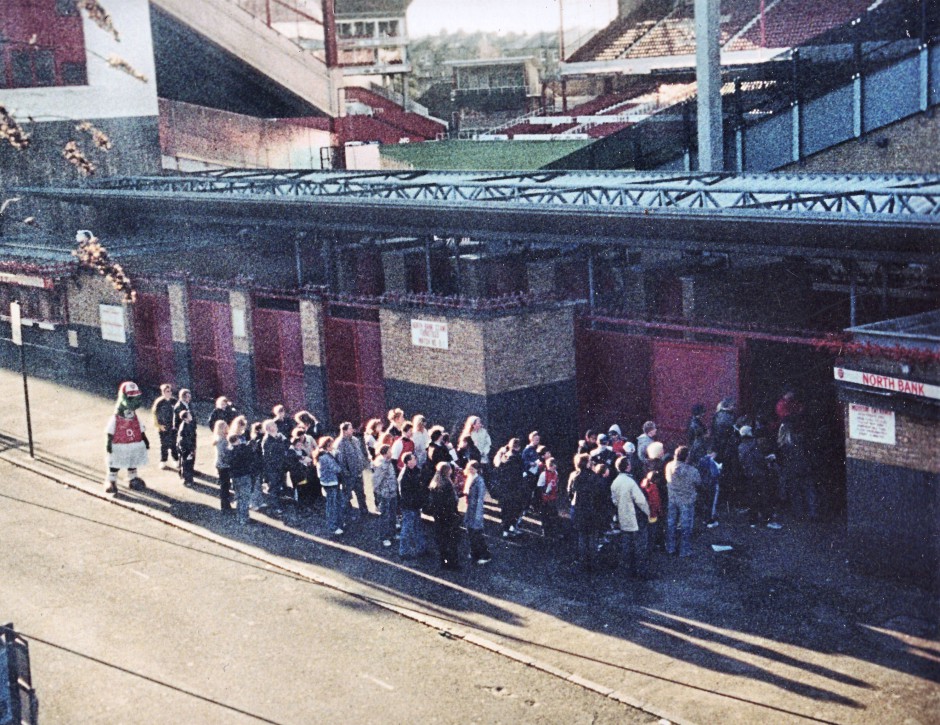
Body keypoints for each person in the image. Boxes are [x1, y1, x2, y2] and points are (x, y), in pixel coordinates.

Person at [104, 381, 150, 494]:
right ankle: (111, 481)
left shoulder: (134, 416)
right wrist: (108, 443)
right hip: (119, 444)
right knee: (115, 463)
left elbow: (140, 428)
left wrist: (145, 439)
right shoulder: (116, 418)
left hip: (133, 443)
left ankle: (133, 478)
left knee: (132, 461)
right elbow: (109, 432)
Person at [610, 457, 651, 578]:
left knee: (626, 545)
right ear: (627, 466)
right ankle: (641, 571)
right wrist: (648, 512)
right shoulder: (631, 482)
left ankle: (627, 571)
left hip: (623, 516)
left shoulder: (615, 482)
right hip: (636, 517)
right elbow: (641, 501)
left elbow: (614, 500)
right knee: (640, 546)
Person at [568, 455, 607, 572]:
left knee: (582, 536)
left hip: (578, 509)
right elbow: (600, 495)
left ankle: (582, 562)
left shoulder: (574, 475)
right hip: (592, 510)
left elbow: (570, 492)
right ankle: (593, 563)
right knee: (593, 537)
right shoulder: (594, 477)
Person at [738, 426, 780, 529]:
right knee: (764, 498)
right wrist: (768, 459)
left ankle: (753, 521)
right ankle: (767, 521)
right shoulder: (753, 445)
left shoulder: (741, 446)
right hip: (760, 474)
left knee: (752, 498)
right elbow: (759, 460)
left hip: (749, 474)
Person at [664, 446, 701, 557]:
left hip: (672, 498)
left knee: (671, 524)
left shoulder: (669, 466)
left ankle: (670, 548)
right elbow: (698, 482)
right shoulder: (692, 471)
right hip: (687, 500)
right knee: (686, 526)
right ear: (687, 457)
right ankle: (684, 551)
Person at [777, 422, 817, 521]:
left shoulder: (782, 445)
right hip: (804, 467)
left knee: (795, 493)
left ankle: (799, 514)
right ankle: (813, 512)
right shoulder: (800, 439)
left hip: (791, 470)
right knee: (809, 491)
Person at [427, 462, 461, 570]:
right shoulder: (447, 484)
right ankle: (453, 564)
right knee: (451, 541)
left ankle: (444, 562)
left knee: (442, 540)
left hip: (438, 516)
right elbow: (452, 502)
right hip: (449, 516)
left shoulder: (434, 483)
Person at [336, 421, 371, 517]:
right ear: (344, 430)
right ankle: (349, 513)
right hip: (349, 475)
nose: (352, 430)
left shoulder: (355, 440)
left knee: (361, 493)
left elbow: (360, 454)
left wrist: (363, 465)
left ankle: (364, 511)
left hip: (359, 473)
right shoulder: (340, 443)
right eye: (350, 428)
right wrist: (346, 473)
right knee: (347, 495)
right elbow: (341, 461)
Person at [397, 453, 427, 558]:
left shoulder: (415, 471)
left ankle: (421, 548)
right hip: (409, 506)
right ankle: (403, 551)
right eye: (414, 459)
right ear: (408, 462)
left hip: (415, 505)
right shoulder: (405, 475)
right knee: (407, 528)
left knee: (416, 528)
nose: (416, 460)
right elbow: (405, 493)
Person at [494, 438, 525, 539]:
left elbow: (499, 468)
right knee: (514, 509)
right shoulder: (518, 458)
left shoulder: (505, 456)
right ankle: (510, 528)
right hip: (515, 488)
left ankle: (505, 530)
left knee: (505, 510)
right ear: (519, 447)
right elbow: (520, 473)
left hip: (504, 487)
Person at [463, 460, 491, 564]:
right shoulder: (470, 478)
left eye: (473, 468)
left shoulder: (479, 481)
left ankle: (485, 555)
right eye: (469, 468)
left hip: (475, 510)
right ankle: (474, 552)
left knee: (477, 533)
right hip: (469, 508)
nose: (470, 470)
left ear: (477, 469)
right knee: (470, 531)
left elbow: (480, 499)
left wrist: (478, 515)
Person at [372, 445, 399, 548]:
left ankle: (392, 534)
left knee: (392, 514)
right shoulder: (381, 464)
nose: (391, 453)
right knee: (385, 516)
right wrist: (379, 493)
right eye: (389, 451)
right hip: (385, 494)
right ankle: (384, 537)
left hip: (392, 492)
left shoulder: (389, 462)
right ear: (384, 453)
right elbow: (376, 480)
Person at [316, 436, 344, 535]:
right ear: (327, 445)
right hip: (330, 483)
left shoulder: (323, 455)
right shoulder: (326, 457)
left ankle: (337, 523)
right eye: (331, 444)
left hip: (328, 482)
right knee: (332, 505)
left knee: (334, 503)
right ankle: (332, 526)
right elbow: (336, 469)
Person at [261, 418, 289, 514]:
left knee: (278, 486)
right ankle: (274, 507)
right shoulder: (267, 440)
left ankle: (278, 504)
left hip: (280, 467)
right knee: (273, 488)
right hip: (273, 468)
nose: (276, 426)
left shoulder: (278, 437)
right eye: (273, 425)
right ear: (269, 428)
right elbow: (266, 457)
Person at [228, 432, 254, 526]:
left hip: (235, 477)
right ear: (237, 440)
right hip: (244, 476)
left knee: (239, 497)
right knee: (245, 498)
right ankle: (244, 518)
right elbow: (250, 457)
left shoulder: (230, 450)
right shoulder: (243, 449)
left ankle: (239, 517)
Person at [151, 383, 178, 470]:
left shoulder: (174, 401)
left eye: (170, 391)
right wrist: (159, 425)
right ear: (163, 392)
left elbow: (178, 413)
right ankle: (163, 461)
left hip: (173, 427)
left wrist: (176, 424)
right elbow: (155, 414)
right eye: (167, 391)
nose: (169, 393)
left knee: (173, 444)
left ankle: (176, 460)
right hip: (163, 427)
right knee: (164, 445)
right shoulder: (159, 402)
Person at [535, 456, 561, 539]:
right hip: (545, 499)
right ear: (549, 466)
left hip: (552, 498)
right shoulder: (544, 474)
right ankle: (545, 532)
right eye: (553, 466)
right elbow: (539, 487)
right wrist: (545, 491)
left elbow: (556, 483)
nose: (554, 468)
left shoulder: (556, 473)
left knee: (554, 515)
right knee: (545, 516)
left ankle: (554, 532)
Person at [697, 445, 722, 528]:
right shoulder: (711, 461)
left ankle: (705, 519)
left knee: (705, 502)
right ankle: (711, 521)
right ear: (713, 453)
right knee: (712, 503)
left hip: (704, 484)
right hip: (712, 484)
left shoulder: (701, 460)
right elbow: (715, 473)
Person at [212, 420, 233, 513]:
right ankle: (225, 507)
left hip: (221, 464)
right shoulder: (221, 440)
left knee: (225, 486)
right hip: (223, 465)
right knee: (225, 487)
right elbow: (224, 454)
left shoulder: (219, 438)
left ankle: (226, 505)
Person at [176, 409, 197, 488]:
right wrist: (188, 452)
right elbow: (184, 441)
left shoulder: (189, 424)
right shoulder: (184, 428)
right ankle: (187, 480)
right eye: (189, 415)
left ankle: (188, 478)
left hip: (189, 448)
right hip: (186, 449)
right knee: (186, 465)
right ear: (185, 418)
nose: (191, 416)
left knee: (188, 464)